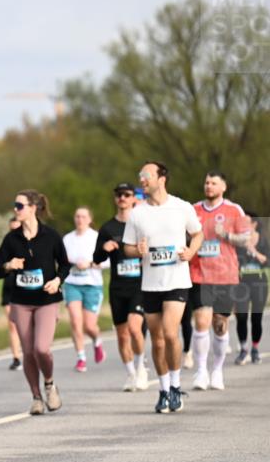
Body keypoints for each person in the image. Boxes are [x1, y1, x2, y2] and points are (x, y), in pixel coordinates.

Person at [122, 161, 202, 413]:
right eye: (140, 176)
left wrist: (191, 251)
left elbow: (197, 233)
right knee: (156, 341)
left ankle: (177, 387)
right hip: (150, 284)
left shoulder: (182, 207)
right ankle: (164, 389)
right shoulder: (137, 212)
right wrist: (138, 250)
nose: (142, 180)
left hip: (177, 280)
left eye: (146, 175)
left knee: (170, 333)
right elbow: (127, 247)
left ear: (162, 179)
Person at [0, 191, 70, 415]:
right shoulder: (11, 239)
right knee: (27, 351)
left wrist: (57, 280)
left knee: (41, 349)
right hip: (21, 301)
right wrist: (9, 265)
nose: (15, 209)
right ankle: (36, 397)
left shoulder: (51, 236)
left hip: (47, 300)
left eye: (19, 205)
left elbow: (65, 265)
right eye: (14, 205)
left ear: (33, 207)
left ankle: (49, 383)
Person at [188, 172, 251, 391]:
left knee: (219, 325)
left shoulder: (234, 210)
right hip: (199, 273)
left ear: (223, 187)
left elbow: (246, 238)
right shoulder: (193, 210)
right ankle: (201, 370)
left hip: (225, 274)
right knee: (201, 320)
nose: (209, 186)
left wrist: (226, 235)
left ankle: (217, 370)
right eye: (206, 182)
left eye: (214, 183)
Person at [94, 183, 149, 392]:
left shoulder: (141, 225)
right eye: (119, 195)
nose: (123, 198)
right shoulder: (108, 228)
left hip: (139, 285)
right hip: (118, 288)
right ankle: (131, 373)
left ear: (134, 198)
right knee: (122, 334)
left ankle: (141, 368)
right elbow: (96, 259)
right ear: (115, 199)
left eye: (127, 195)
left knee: (135, 328)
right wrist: (103, 249)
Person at [62, 207, 108, 372]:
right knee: (75, 321)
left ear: (89, 219)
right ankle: (81, 357)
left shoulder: (96, 237)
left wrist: (89, 264)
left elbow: (108, 261)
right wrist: (68, 262)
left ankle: (97, 341)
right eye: (77, 216)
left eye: (83, 216)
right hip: (72, 283)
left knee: (89, 326)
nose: (80, 219)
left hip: (92, 285)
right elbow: (61, 261)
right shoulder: (67, 239)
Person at [234, 212, 268, 365]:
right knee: (241, 316)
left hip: (259, 281)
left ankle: (255, 349)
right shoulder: (237, 241)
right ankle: (243, 349)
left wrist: (252, 250)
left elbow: (266, 261)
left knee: (256, 318)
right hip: (241, 282)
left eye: (245, 222)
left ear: (254, 224)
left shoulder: (263, 240)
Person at [1, 216, 23, 370]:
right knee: (12, 324)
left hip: (25, 287)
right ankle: (16, 357)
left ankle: (29, 351)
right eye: (12, 228)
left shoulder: (28, 244)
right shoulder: (7, 244)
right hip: (9, 287)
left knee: (25, 324)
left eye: (17, 228)